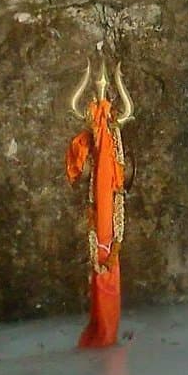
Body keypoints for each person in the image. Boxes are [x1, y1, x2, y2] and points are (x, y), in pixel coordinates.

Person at [65, 57, 133, 348]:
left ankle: (105, 330)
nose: (101, 86)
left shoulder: (108, 136)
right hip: (103, 204)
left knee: (106, 255)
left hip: (107, 207)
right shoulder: (99, 135)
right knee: (103, 255)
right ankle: (102, 329)